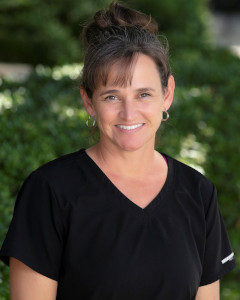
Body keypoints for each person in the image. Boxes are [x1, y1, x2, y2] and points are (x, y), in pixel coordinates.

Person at [0, 2, 236, 300]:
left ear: (168, 94)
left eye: (144, 94)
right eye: (112, 96)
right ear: (88, 101)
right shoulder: (49, 192)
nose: (129, 113)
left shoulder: (199, 193)